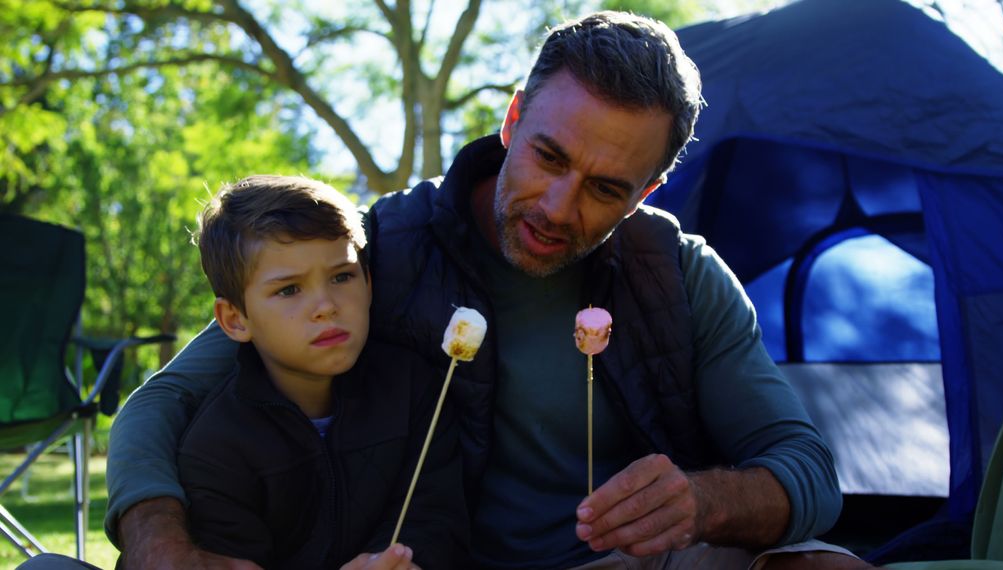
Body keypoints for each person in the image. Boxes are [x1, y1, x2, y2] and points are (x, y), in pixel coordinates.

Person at [102, 11, 870, 570]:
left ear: (649, 190)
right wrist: (159, 545)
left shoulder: (678, 273)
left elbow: (806, 467)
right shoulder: (374, 252)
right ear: (512, 119)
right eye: (547, 156)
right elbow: (159, 403)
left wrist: (703, 502)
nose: (558, 208)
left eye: (606, 188)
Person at [140, 175, 465, 569]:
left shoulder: (414, 387)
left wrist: (398, 560)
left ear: (369, 282)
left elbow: (434, 511)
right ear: (235, 319)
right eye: (289, 290)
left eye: (342, 276)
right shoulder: (217, 447)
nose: (326, 305)